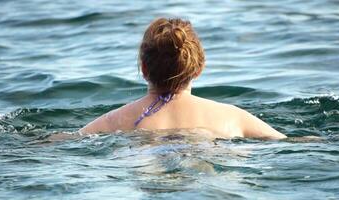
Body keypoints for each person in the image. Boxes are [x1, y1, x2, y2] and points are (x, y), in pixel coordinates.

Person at [79, 18, 287, 140]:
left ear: (143, 68)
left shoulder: (115, 121)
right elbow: (292, 144)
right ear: (199, 68)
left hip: (141, 157)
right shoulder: (233, 117)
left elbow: (61, 142)